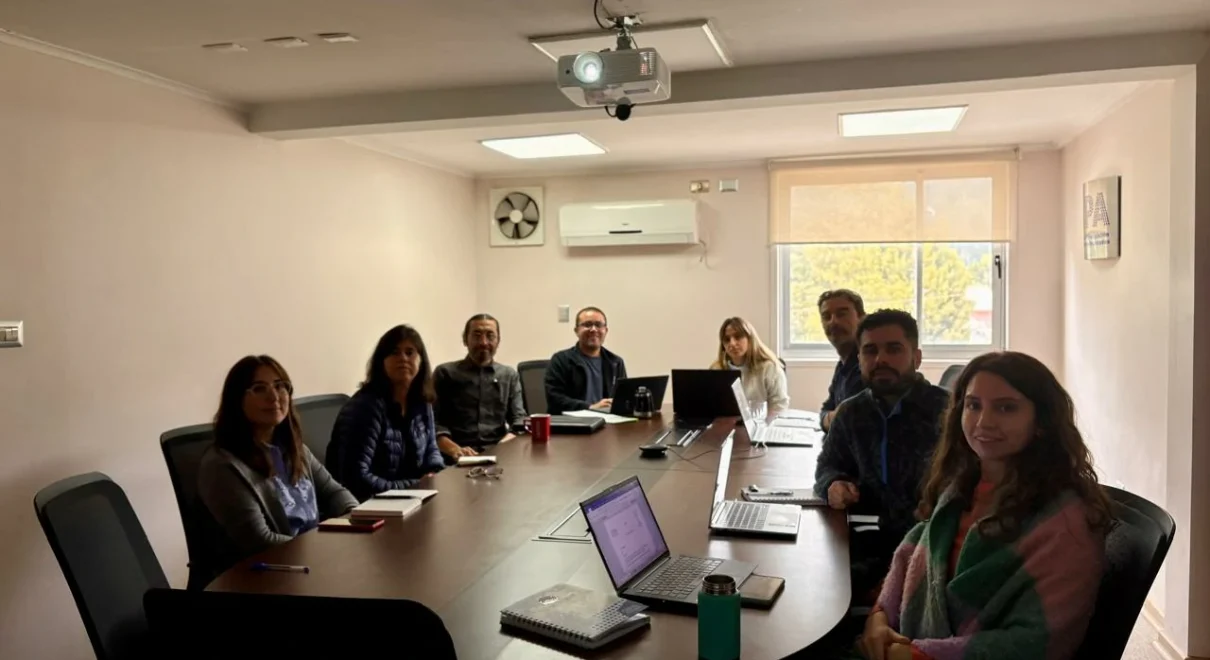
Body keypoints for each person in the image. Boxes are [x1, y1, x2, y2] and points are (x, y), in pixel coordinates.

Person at [857, 352, 1110, 660]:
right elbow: (914, 552)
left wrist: (918, 654)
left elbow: (1037, 641)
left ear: (1042, 421)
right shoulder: (963, 487)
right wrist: (878, 617)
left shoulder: (1065, 523)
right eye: (973, 405)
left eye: (1006, 408)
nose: (983, 422)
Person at [813, 309, 949, 600]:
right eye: (870, 350)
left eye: (894, 349)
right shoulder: (852, 412)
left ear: (917, 357)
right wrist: (833, 484)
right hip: (876, 540)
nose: (880, 359)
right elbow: (827, 465)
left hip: (936, 546)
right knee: (809, 578)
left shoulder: (948, 413)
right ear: (860, 357)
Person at [198, 355, 358, 561]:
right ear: (236, 400)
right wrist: (322, 549)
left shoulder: (293, 449)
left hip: (313, 557)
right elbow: (260, 541)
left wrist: (356, 519)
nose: (274, 397)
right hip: (271, 569)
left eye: (280, 386)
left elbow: (334, 492)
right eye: (259, 388)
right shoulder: (222, 465)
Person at [327, 325, 446, 502]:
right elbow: (357, 479)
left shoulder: (422, 401)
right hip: (371, 503)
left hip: (413, 498)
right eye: (394, 352)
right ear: (381, 361)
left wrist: (435, 472)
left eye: (410, 352)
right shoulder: (365, 406)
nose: (403, 358)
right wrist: (414, 486)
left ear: (421, 361)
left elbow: (431, 448)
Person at [433, 313, 526, 457]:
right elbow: (432, 422)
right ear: (465, 339)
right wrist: (454, 449)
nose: (483, 342)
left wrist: (501, 447)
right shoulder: (445, 373)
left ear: (498, 341)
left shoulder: (508, 375)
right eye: (477, 336)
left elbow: (519, 420)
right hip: (455, 455)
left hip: (498, 454)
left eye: (490, 336)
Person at [545, 306, 628, 414]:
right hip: (572, 421)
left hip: (608, 420)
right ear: (576, 331)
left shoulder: (615, 362)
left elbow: (623, 398)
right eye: (587, 324)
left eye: (598, 325)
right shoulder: (561, 360)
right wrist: (590, 407)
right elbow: (555, 399)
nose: (593, 329)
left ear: (606, 331)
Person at [709, 316, 789, 416]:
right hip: (728, 424)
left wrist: (765, 424)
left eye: (738, 337)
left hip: (762, 423)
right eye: (727, 339)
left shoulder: (769, 368)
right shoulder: (716, 370)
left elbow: (779, 406)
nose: (732, 343)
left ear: (750, 339)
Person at [818, 289, 867, 432]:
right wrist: (830, 418)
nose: (833, 322)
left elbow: (846, 422)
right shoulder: (843, 365)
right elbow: (826, 408)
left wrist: (830, 419)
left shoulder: (866, 366)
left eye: (842, 314)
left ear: (861, 318)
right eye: (826, 316)